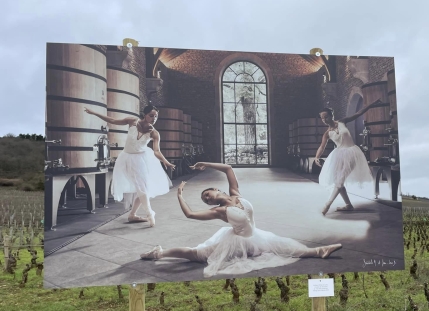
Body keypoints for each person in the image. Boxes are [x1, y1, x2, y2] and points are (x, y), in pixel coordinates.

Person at [140, 162, 343, 277]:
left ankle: (319, 250)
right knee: (197, 254)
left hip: (256, 236)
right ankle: (159, 253)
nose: (207, 198)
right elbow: (190, 214)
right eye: (205, 200)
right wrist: (179, 195)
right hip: (235, 241)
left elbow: (228, 168)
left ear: (216, 189)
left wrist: (206, 164)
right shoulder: (219, 211)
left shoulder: (236, 193)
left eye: (207, 194)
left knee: (284, 246)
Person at [84, 105, 175, 227]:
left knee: (142, 187)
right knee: (141, 187)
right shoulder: (132, 121)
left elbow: (157, 151)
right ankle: (147, 213)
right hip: (127, 158)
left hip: (141, 159)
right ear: (145, 115)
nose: (154, 118)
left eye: (156, 116)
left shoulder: (154, 133)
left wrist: (166, 161)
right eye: (151, 115)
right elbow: (113, 120)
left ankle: (136, 214)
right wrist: (94, 112)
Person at [314, 100, 382, 215]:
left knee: (339, 182)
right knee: (338, 181)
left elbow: (357, 114)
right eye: (322, 118)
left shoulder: (342, 122)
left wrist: (370, 105)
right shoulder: (327, 133)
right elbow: (322, 147)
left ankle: (327, 205)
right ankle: (348, 205)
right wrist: (316, 157)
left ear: (331, 116)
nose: (324, 120)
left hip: (352, 152)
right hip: (338, 155)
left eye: (326, 117)